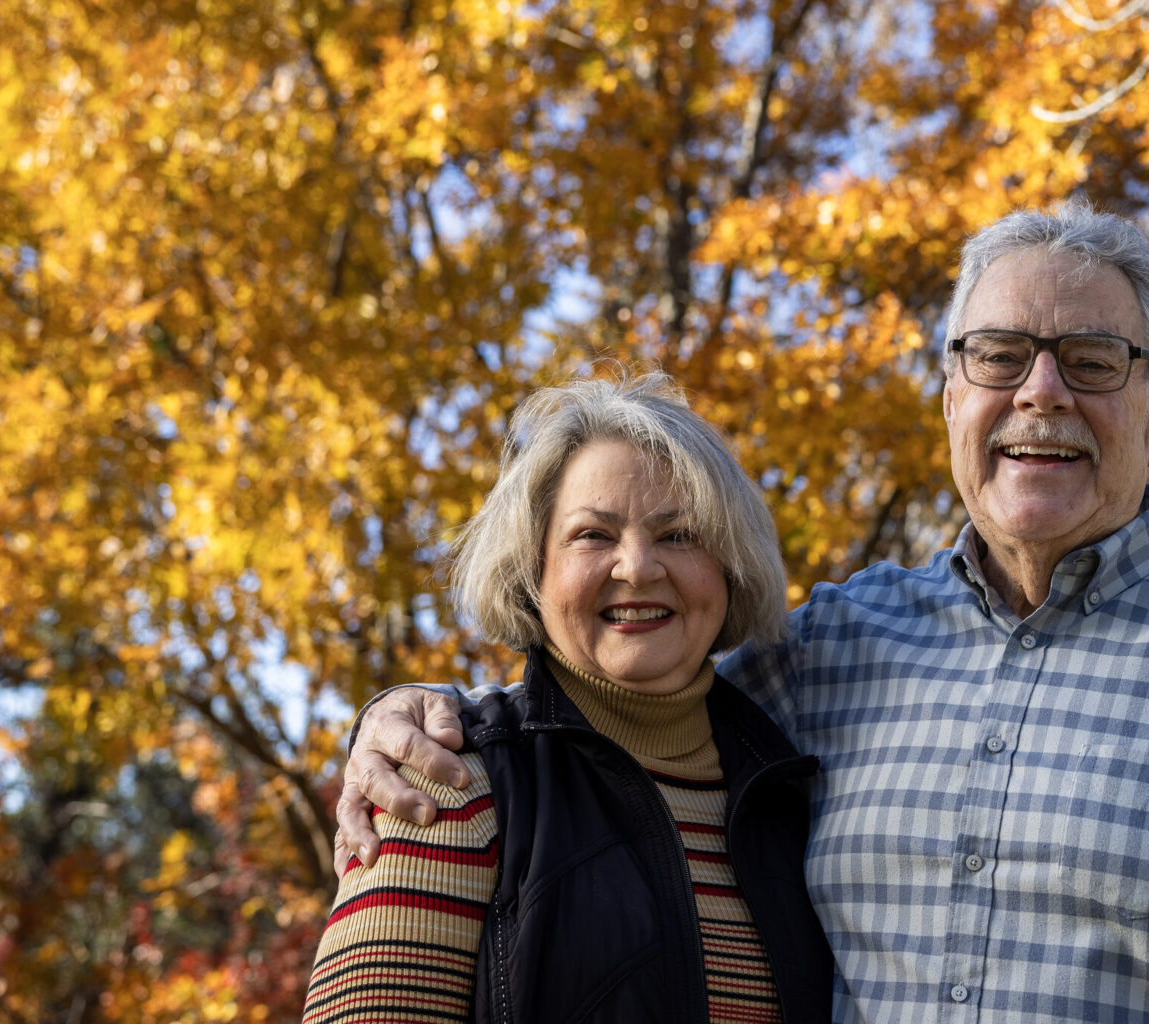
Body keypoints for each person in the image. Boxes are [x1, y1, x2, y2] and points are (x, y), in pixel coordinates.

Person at [337, 201, 1149, 1021]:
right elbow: (623, 691)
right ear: (951, 394)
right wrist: (416, 715)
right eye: (999, 355)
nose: (1041, 391)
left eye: (1092, 359)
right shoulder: (837, 648)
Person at [303, 374, 833, 1023]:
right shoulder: (454, 782)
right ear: (534, 571)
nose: (638, 567)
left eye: (679, 534)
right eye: (593, 535)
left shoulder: (789, 799)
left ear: (730, 566)